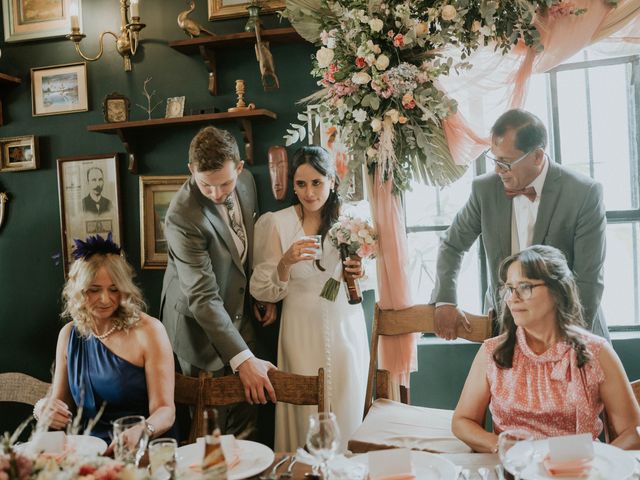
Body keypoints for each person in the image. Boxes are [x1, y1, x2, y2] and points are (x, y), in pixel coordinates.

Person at [430, 109, 608, 340]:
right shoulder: (484, 190)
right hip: (505, 330)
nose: (497, 169)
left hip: (571, 329)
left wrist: (565, 340)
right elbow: (452, 244)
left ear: (537, 156)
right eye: (494, 159)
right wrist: (445, 300)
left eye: (505, 162)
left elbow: (588, 279)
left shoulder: (584, 193)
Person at [452, 245, 640, 452]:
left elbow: (633, 431)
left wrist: (599, 462)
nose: (512, 299)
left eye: (524, 287)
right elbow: (462, 421)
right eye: (509, 288)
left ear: (557, 291)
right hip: (515, 468)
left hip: (576, 469)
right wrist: (502, 446)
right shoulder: (492, 352)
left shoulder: (597, 353)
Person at [160, 126, 277, 439]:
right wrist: (243, 360)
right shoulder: (182, 217)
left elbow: (241, 256)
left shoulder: (248, 183)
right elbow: (202, 297)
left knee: (248, 413)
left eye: (225, 183)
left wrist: (258, 296)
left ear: (239, 168)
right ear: (191, 171)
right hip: (197, 329)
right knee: (209, 431)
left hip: (239, 314)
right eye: (205, 185)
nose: (216, 193)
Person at [250, 145, 369, 452]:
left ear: (332, 180)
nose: (309, 191)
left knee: (347, 400)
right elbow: (261, 289)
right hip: (299, 328)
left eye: (317, 182)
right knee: (302, 410)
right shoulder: (276, 223)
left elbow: (372, 280)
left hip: (345, 326)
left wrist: (359, 271)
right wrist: (285, 262)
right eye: (301, 184)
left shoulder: (351, 220)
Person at [35, 233, 176, 444]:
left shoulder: (149, 331)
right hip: (87, 450)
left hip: (142, 447)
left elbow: (166, 410)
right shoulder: (69, 334)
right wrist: (43, 408)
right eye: (94, 290)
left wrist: (142, 430)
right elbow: (61, 405)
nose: (105, 299)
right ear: (79, 290)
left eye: (114, 289)